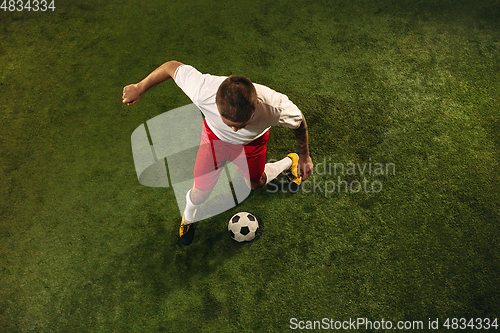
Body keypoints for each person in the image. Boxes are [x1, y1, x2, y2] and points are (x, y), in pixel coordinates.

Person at [123, 61, 313, 245]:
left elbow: (298, 122)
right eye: (229, 124)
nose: (235, 131)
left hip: (253, 144)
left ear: (257, 103)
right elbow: (170, 67)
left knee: (256, 183)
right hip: (214, 142)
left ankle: (291, 161)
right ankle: (189, 218)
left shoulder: (275, 106)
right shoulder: (202, 90)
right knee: (200, 194)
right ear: (215, 103)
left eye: (242, 125)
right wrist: (139, 87)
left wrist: (304, 156)